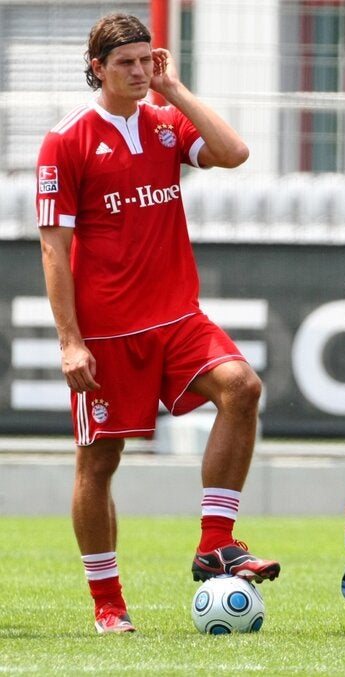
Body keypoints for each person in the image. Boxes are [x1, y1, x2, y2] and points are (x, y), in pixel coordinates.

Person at [35, 13, 279, 635]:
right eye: (127, 64)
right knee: (99, 461)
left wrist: (176, 89)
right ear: (97, 67)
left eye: (147, 60)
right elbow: (54, 249)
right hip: (109, 332)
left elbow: (234, 152)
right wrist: (70, 341)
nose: (140, 72)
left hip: (178, 317)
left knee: (243, 387)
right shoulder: (65, 140)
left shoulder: (166, 121)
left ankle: (215, 543)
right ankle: (108, 603)